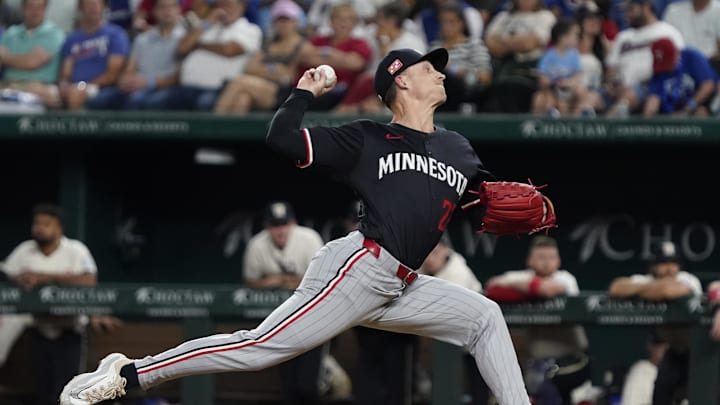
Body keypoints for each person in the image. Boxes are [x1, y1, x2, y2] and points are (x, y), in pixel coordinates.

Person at [59, 47, 533, 405]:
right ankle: (128, 374)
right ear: (401, 81)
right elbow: (282, 138)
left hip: (403, 284)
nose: (441, 71)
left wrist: (508, 204)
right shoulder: (367, 138)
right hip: (358, 269)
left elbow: (478, 202)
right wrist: (305, 91)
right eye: (429, 68)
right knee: (261, 347)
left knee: (484, 317)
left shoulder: (459, 149)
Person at [2, 204, 98, 405]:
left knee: (69, 390)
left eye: (47, 224)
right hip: (39, 328)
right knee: (43, 392)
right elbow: (8, 274)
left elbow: (89, 280)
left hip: (69, 329)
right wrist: (21, 279)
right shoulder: (25, 249)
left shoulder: (75, 249)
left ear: (59, 228)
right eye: (37, 223)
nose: (40, 228)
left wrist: (44, 277)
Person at [242, 200, 330, 404]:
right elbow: (248, 282)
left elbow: (323, 279)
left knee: (308, 385)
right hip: (278, 321)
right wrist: (281, 281)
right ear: (267, 227)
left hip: (313, 320)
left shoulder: (309, 239)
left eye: (284, 224)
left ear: (293, 223)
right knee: (289, 384)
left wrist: (280, 280)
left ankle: (328, 369)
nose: (280, 230)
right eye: (275, 225)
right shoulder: (257, 244)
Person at [485, 235, 590, 405]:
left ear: (558, 261)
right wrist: (531, 287)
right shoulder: (523, 276)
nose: (546, 262)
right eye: (541, 257)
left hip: (573, 359)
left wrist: (522, 288)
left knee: (541, 378)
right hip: (538, 362)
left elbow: (549, 289)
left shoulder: (566, 278)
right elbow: (492, 287)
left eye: (551, 257)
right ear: (530, 260)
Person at [608, 240, 702, 405]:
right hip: (677, 352)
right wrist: (651, 288)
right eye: (663, 263)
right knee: (660, 393)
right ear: (653, 266)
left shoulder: (688, 279)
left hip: (701, 350)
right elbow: (616, 288)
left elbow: (668, 291)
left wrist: (640, 290)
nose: (669, 268)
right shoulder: (645, 280)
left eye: (674, 262)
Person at [85, 0, 186, 110]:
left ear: (179, 10)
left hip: (167, 87)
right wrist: (126, 80)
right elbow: (130, 67)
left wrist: (149, 83)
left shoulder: (185, 39)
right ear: (154, 11)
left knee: (138, 100)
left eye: (172, 7)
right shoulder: (142, 39)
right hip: (138, 85)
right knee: (98, 100)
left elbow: (179, 78)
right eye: (163, 7)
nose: (168, 11)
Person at [213, 0, 307, 115]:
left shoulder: (302, 45)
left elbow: (288, 77)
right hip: (260, 87)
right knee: (243, 99)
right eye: (279, 20)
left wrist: (264, 69)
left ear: (295, 21)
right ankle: (230, 132)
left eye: (287, 19)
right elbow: (249, 68)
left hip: (283, 93)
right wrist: (274, 70)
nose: (283, 24)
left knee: (239, 82)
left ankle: (213, 121)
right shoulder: (268, 44)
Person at [57, 0, 131, 111]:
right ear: (81, 9)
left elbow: (113, 74)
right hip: (75, 87)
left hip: (102, 88)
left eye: (96, 4)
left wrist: (83, 86)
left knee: (76, 96)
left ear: (103, 7)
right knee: (51, 95)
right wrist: (64, 85)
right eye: (89, 5)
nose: (93, 8)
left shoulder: (116, 34)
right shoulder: (72, 38)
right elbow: (66, 73)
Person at [0, 0, 66, 108]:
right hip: (8, 85)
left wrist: (6, 58)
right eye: (31, 7)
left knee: (42, 94)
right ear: (23, 9)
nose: (35, 11)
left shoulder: (54, 34)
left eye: (39, 7)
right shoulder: (11, 33)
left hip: (40, 86)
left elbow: (31, 63)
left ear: (45, 9)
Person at [531, 17, 597, 117]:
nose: (577, 38)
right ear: (562, 37)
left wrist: (569, 83)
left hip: (569, 88)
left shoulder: (574, 54)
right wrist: (553, 82)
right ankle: (551, 113)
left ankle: (583, 112)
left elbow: (578, 75)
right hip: (553, 88)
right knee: (545, 98)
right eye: (575, 35)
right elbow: (542, 76)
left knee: (581, 91)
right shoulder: (549, 55)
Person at [642, 38, 718, 117]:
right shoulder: (659, 71)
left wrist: (688, 108)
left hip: (698, 104)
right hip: (670, 111)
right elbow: (653, 98)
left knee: (701, 113)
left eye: (668, 62)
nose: (666, 68)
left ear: (676, 55)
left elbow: (708, 84)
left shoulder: (691, 57)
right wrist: (649, 115)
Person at [619, 332, 669, 405]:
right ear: (650, 347)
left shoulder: (666, 372)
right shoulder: (641, 370)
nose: (661, 350)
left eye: (664, 346)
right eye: (658, 346)